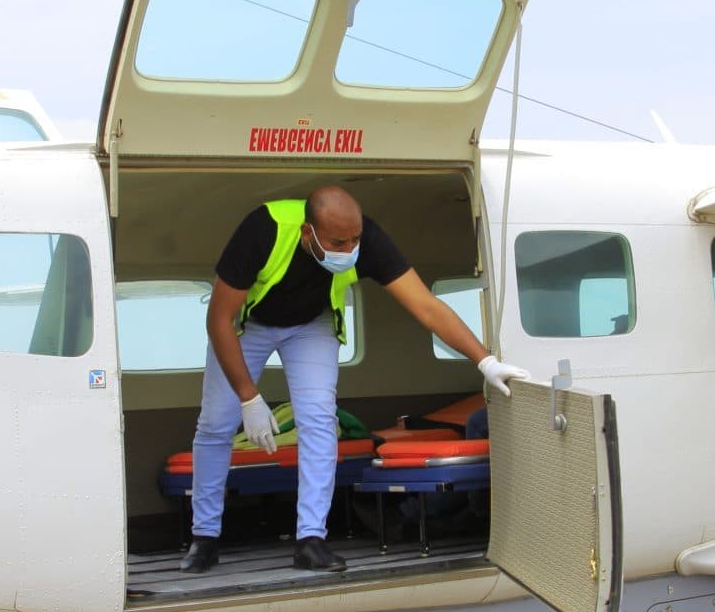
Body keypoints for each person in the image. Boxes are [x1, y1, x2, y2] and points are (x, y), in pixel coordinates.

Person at [184, 185, 528, 573]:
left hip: (311, 327)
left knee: (318, 420)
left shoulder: (368, 241)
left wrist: (485, 362)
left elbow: (427, 306)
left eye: (354, 240)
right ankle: (205, 538)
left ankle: (310, 539)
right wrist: (249, 398)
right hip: (249, 326)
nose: (348, 250)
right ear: (307, 233)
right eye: (337, 242)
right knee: (215, 424)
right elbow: (218, 319)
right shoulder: (264, 229)